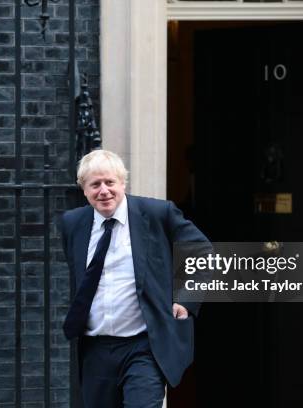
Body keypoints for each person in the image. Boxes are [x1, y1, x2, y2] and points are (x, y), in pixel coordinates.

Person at [61, 150, 209, 408]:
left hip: (144, 346)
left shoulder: (156, 213)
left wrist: (186, 299)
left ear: (123, 183)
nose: (104, 190)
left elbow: (202, 252)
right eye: (95, 184)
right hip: (96, 348)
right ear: (83, 189)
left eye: (110, 182)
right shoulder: (73, 223)